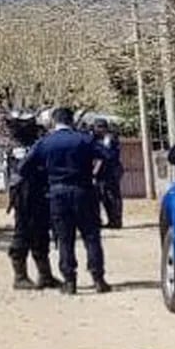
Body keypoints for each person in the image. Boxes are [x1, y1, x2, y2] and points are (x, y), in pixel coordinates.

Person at [18, 107, 110, 295]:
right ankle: (98, 278)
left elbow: (23, 167)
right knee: (91, 236)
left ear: (53, 121)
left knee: (65, 239)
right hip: (84, 191)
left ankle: (70, 282)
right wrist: (94, 174)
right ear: (72, 121)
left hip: (57, 194)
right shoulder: (84, 139)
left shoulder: (45, 142)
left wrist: (44, 175)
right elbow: (108, 156)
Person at [4, 110, 60, 290]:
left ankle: (45, 275)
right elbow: (24, 169)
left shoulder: (35, 143)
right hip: (24, 193)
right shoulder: (19, 147)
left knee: (41, 233)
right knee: (23, 233)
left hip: (39, 192)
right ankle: (20, 277)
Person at [92, 118, 124, 229]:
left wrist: (95, 171)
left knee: (112, 197)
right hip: (102, 173)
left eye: (101, 127)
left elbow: (105, 155)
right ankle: (109, 220)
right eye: (97, 127)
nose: (98, 130)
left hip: (111, 172)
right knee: (102, 197)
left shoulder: (110, 139)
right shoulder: (96, 139)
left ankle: (116, 221)